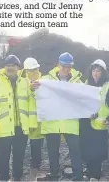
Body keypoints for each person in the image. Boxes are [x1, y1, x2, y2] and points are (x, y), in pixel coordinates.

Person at [31, 52, 83, 181]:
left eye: (69, 67)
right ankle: (54, 175)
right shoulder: (46, 80)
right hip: (52, 122)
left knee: (75, 151)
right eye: (64, 66)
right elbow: (37, 97)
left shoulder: (77, 81)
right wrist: (32, 89)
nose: (66, 69)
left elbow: (84, 99)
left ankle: (78, 177)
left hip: (70, 122)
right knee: (53, 152)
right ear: (58, 65)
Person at [0, 55, 37, 181]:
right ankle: (3, 179)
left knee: (19, 156)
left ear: (18, 68)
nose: (10, 68)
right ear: (4, 67)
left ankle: (17, 178)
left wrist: (31, 123)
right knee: (3, 157)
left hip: (21, 127)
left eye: (13, 65)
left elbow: (31, 103)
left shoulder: (26, 82)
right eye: (8, 65)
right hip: (3, 127)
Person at [80, 59, 109, 181]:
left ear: (103, 73)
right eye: (94, 70)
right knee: (86, 148)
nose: (95, 73)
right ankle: (88, 171)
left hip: (99, 124)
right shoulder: (85, 84)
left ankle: (95, 175)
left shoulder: (107, 86)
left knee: (97, 151)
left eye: (98, 71)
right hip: (86, 123)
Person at [20, 57, 44, 181]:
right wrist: (30, 87)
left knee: (36, 153)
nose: (33, 72)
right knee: (20, 152)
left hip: (38, 125)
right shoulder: (21, 83)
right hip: (23, 124)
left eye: (35, 69)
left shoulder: (44, 81)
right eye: (30, 70)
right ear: (25, 71)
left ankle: (32, 177)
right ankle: (17, 176)